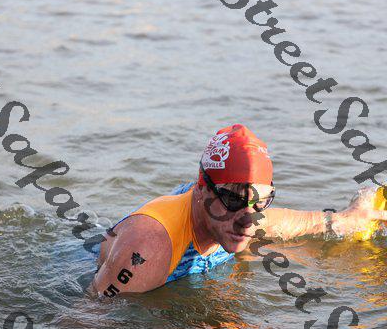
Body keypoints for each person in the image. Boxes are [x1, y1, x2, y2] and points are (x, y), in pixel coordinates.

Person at [91, 124, 387, 296]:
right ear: (201, 188)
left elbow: (289, 222)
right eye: (234, 200)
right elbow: (89, 323)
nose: (248, 221)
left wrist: (344, 220)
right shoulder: (147, 249)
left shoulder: (233, 214)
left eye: (261, 202)